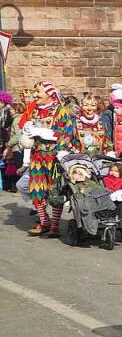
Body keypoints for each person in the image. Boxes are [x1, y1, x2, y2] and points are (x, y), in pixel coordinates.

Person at [22, 81, 73, 236]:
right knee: (36, 190)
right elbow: (29, 135)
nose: (35, 95)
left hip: (54, 157)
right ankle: (44, 222)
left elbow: (67, 133)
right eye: (34, 91)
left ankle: (55, 225)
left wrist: (44, 133)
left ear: (49, 94)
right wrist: (28, 132)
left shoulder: (61, 111)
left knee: (55, 191)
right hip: (37, 156)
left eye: (38, 92)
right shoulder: (35, 111)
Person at [58, 92, 111, 158]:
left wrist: (109, 154)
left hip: (99, 162)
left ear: (96, 107)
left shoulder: (103, 123)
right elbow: (63, 143)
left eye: (93, 105)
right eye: (86, 105)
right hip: (78, 163)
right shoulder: (73, 122)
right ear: (81, 107)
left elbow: (108, 144)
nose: (89, 108)